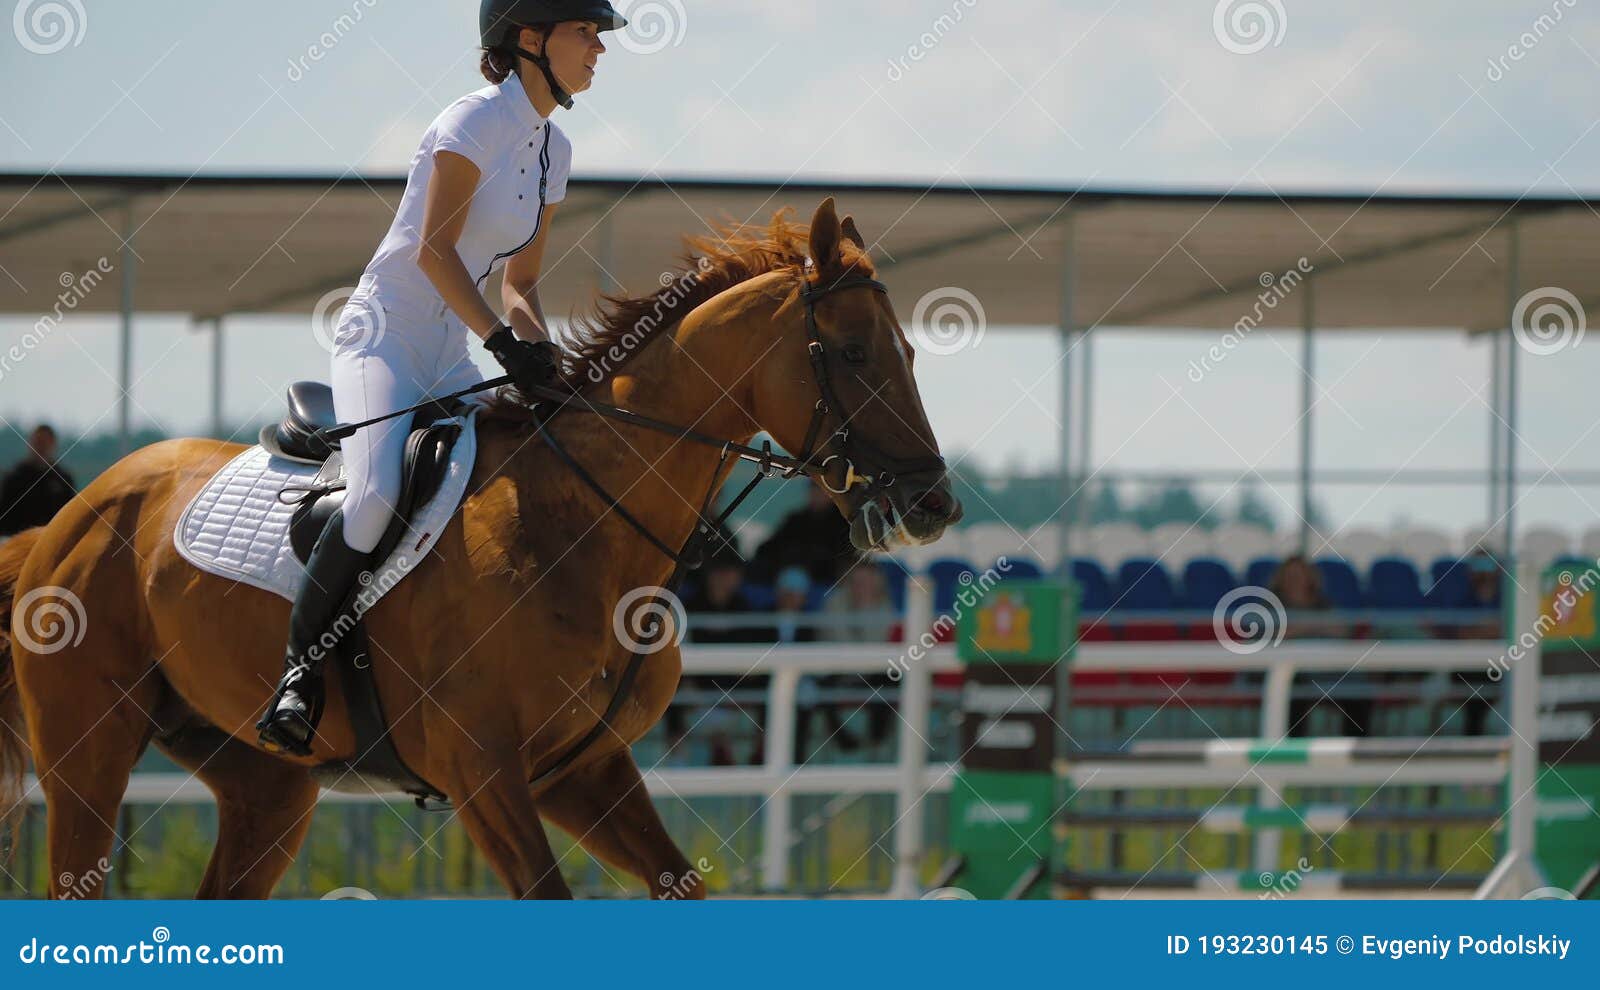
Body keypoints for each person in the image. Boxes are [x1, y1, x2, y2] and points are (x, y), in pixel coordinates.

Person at [257, 0, 630, 754]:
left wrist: (539, 353)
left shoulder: (554, 149)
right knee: (374, 498)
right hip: (385, 339)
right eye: (584, 32)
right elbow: (433, 250)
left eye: (598, 36)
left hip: (451, 350)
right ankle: (299, 676)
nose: (599, 48)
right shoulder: (472, 123)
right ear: (531, 38)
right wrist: (498, 340)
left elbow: (519, 283)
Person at [1269, 554, 1371, 737]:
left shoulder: (1323, 603)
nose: (1296, 580)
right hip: (1290, 669)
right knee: (1294, 690)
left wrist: (1302, 627)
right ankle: (1291, 751)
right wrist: (1311, 626)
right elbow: (1270, 636)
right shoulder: (1271, 604)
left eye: (1300, 575)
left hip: (1326, 667)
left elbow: (1342, 631)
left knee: (1359, 688)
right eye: (1291, 576)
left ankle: (1355, 751)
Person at [751, 485, 856, 585]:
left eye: (821, 492)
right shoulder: (796, 519)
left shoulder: (842, 522)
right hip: (787, 573)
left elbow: (844, 556)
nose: (816, 495)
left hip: (823, 580)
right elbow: (770, 546)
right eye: (813, 491)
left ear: (831, 495)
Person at [0, 424, 76, 537]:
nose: (41, 447)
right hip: (17, 542)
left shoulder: (63, 479)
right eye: (38, 442)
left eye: (45, 443)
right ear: (30, 444)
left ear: (53, 445)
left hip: (52, 541)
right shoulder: (14, 477)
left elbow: (71, 516)